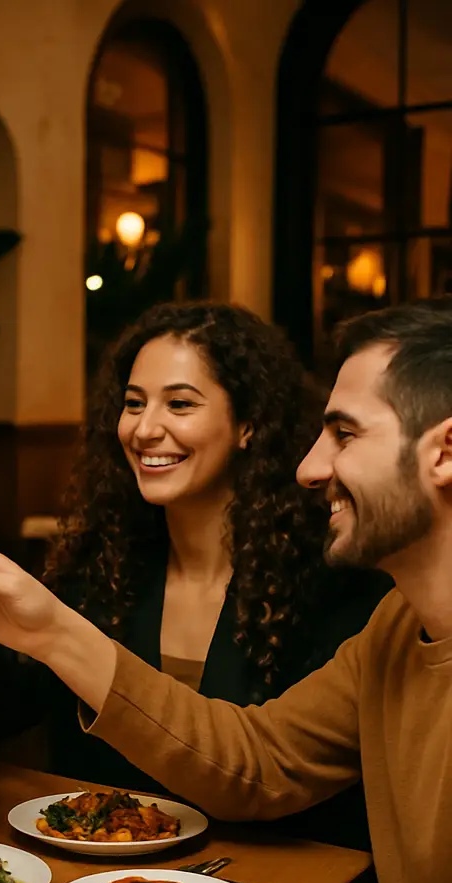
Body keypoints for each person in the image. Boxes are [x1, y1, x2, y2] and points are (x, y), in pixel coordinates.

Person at [0, 300, 452, 883]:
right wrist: (54, 632)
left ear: (442, 452)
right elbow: (255, 760)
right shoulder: (397, 630)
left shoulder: (350, 601)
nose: (310, 467)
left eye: (343, 434)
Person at [40, 302, 389, 849]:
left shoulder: (330, 579)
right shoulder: (100, 567)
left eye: (179, 403)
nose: (145, 429)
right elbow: (21, 703)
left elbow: (278, 772)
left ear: (248, 424)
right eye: (133, 404)